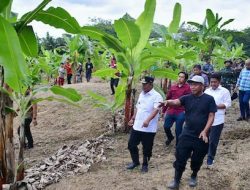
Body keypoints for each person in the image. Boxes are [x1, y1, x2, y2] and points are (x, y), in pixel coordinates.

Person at [159, 75, 217, 189]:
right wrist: (167, 102)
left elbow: (211, 116)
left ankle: (194, 175)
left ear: (202, 86)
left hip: (201, 135)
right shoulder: (187, 98)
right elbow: (176, 102)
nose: (192, 87)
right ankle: (176, 180)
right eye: (191, 84)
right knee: (180, 157)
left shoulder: (209, 99)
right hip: (187, 134)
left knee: (197, 159)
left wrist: (205, 131)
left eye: (195, 84)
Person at [127, 76, 163, 173]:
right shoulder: (142, 94)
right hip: (137, 125)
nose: (143, 86)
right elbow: (138, 108)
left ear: (151, 84)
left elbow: (156, 110)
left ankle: (145, 164)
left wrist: (147, 120)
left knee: (147, 148)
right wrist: (132, 118)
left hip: (149, 128)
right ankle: (135, 162)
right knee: (131, 145)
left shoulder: (157, 96)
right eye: (142, 84)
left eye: (145, 84)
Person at [204, 73, 231, 167]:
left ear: (219, 81)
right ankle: (204, 154)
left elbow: (227, 104)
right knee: (204, 138)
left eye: (215, 82)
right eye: (211, 82)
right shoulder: (207, 91)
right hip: (206, 119)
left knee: (213, 141)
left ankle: (210, 159)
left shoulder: (225, 91)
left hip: (218, 120)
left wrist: (215, 107)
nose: (213, 84)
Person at [162, 71, 191, 146]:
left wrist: (187, 111)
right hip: (171, 110)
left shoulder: (188, 88)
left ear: (185, 79)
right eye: (179, 76)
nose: (180, 78)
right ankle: (170, 137)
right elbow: (167, 98)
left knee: (178, 129)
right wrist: (163, 111)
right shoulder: (173, 87)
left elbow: (189, 101)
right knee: (166, 127)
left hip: (181, 111)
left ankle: (178, 145)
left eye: (182, 77)